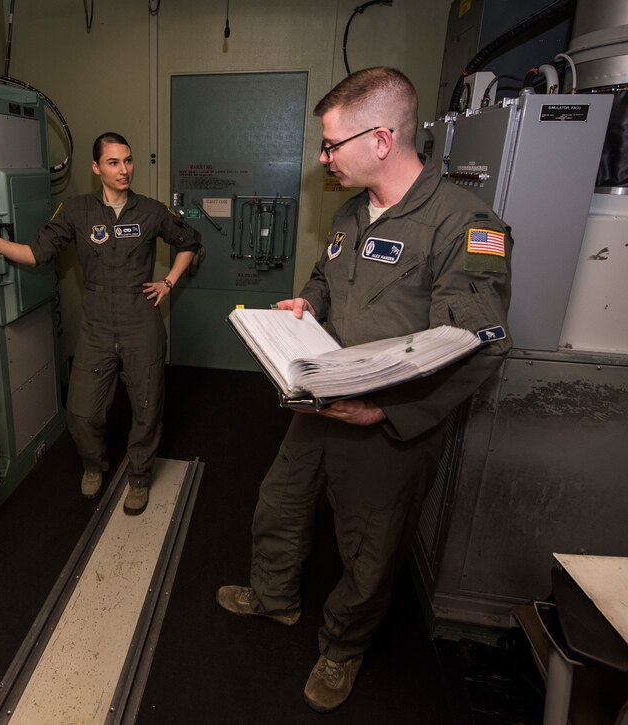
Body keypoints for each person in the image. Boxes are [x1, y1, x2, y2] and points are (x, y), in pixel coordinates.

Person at [217, 67, 512, 712]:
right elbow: (327, 276)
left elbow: (480, 344)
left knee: (369, 550)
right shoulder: (352, 211)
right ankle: (273, 599)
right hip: (322, 396)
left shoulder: (465, 223)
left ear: (380, 138)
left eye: (331, 145)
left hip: (386, 422)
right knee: (280, 503)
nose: (324, 158)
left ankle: (341, 649)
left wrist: (387, 409)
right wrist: (307, 303)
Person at [0, 132, 201, 516]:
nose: (123, 169)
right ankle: (95, 465)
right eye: (113, 162)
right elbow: (35, 253)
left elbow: (189, 240)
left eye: (127, 160)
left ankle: (139, 477)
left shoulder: (153, 211)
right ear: (96, 168)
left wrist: (168, 282)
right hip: (96, 324)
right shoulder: (76, 211)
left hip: (141, 319)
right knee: (81, 412)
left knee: (146, 406)